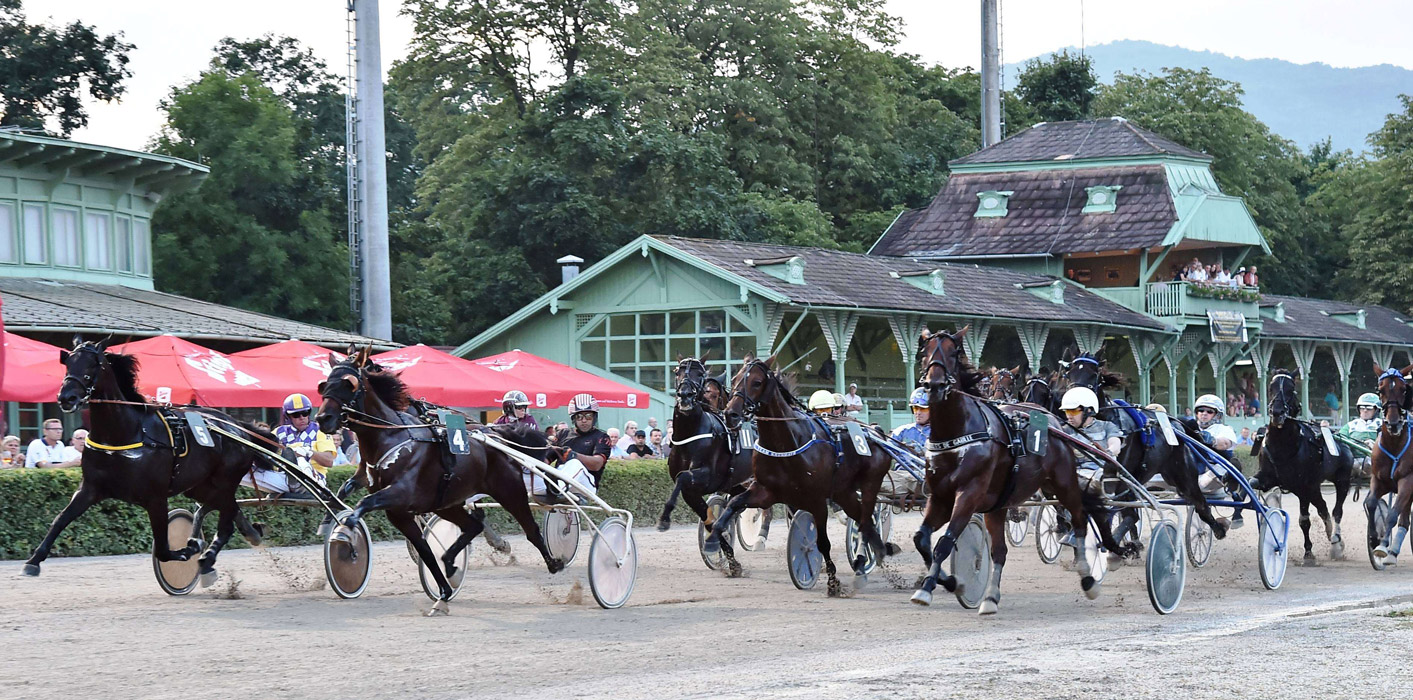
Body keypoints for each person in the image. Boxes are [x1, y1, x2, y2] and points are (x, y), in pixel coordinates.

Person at [243, 393, 335, 495]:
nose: (302, 417)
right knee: (243, 472)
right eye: (296, 415)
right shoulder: (278, 432)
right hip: (283, 479)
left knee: (300, 460)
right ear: (288, 416)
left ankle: (297, 479)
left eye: (305, 413)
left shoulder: (320, 431)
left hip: (314, 481)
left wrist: (307, 452)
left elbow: (329, 461)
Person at [1058, 387, 1122, 498]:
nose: (1069, 416)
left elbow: (1115, 445)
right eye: (1067, 411)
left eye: (1073, 411)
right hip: (1073, 473)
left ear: (1088, 410)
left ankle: (1103, 486)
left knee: (1101, 478)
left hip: (1099, 472)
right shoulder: (1063, 430)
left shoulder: (1107, 426)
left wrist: (1108, 452)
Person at [550, 393, 612, 490]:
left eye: (588, 416)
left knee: (574, 463)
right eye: (579, 416)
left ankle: (556, 490)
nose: (584, 420)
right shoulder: (562, 434)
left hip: (587, 484)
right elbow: (546, 458)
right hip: (561, 477)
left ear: (594, 417)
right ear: (573, 419)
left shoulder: (602, 437)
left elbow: (597, 464)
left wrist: (573, 455)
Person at [1341, 393, 1383, 477]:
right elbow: (1340, 440)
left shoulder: (1382, 425)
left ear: (1376, 410)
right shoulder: (1351, 425)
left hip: (1375, 461)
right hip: (1352, 460)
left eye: (1369, 408)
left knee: (1368, 464)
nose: (1365, 410)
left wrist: (1375, 445)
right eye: (1362, 408)